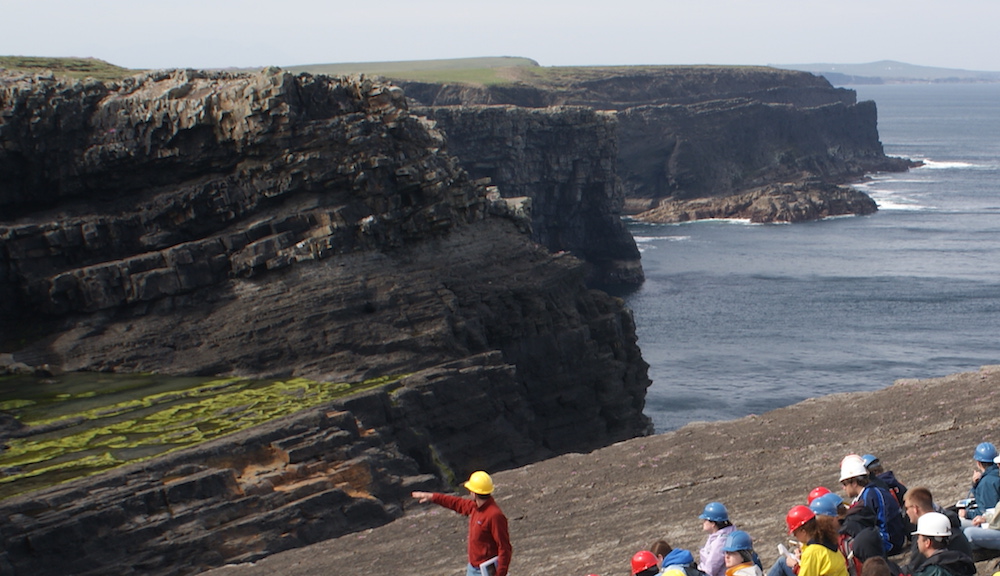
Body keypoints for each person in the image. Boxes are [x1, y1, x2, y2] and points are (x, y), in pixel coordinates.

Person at [411, 470, 512, 576]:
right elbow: (457, 503)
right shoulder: (475, 506)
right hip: (473, 568)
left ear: (473, 493)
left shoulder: (494, 515)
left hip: (486, 571)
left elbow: (504, 548)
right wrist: (433, 497)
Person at [840, 454, 906, 555]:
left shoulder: (870, 496)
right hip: (892, 539)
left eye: (845, 484)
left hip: (890, 543)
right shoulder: (870, 493)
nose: (843, 488)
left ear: (854, 482)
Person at [901, 487, 972, 564]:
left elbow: (914, 568)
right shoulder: (950, 524)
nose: (906, 512)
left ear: (915, 509)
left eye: (907, 508)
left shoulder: (926, 533)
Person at [785, 505, 849, 576]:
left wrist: (795, 566)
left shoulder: (812, 552)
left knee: (782, 562)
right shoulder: (825, 539)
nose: (794, 536)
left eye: (795, 533)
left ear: (803, 531)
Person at [906, 512, 975, 576]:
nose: (917, 541)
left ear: (927, 542)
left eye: (919, 538)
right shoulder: (961, 561)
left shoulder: (931, 571)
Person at [961, 442, 1000, 524]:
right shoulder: (995, 475)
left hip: (992, 525)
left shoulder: (987, 482)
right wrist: (975, 485)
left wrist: (967, 514)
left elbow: (988, 512)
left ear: (978, 463)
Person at [699, 502, 736, 576]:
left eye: (705, 520)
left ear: (713, 524)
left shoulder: (720, 541)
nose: (703, 522)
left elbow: (710, 570)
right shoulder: (717, 537)